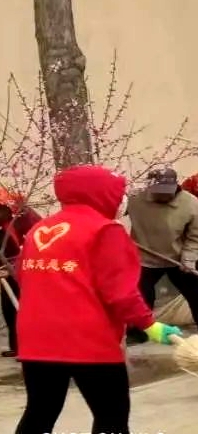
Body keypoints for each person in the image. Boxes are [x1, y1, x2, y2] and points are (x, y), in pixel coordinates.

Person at [13, 165, 182, 434]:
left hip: (37, 339)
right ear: (101, 194)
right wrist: (150, 325)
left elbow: (24, 278)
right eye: (118, 193)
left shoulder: (38, 230)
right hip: (88, 341)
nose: (122, 200)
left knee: (40, 411)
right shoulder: (104, 231)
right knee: (111, 416)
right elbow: (120, 292)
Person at [126, 168, 198, 345]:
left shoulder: (189, 203)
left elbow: (195, 236)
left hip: (178, 258)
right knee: (140, 297)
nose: (163, 196)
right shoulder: (134, 199)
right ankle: (137, 333)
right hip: (144, 257)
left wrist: (189, 259)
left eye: (167, 192)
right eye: (158, 192)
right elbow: (111, 212)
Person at [0, 197, 42, 358]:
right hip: (7, 270)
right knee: (10, 309)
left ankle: (28, 346)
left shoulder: (20, 219)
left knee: (22, 307)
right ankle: (17, 346)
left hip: (23, 269)